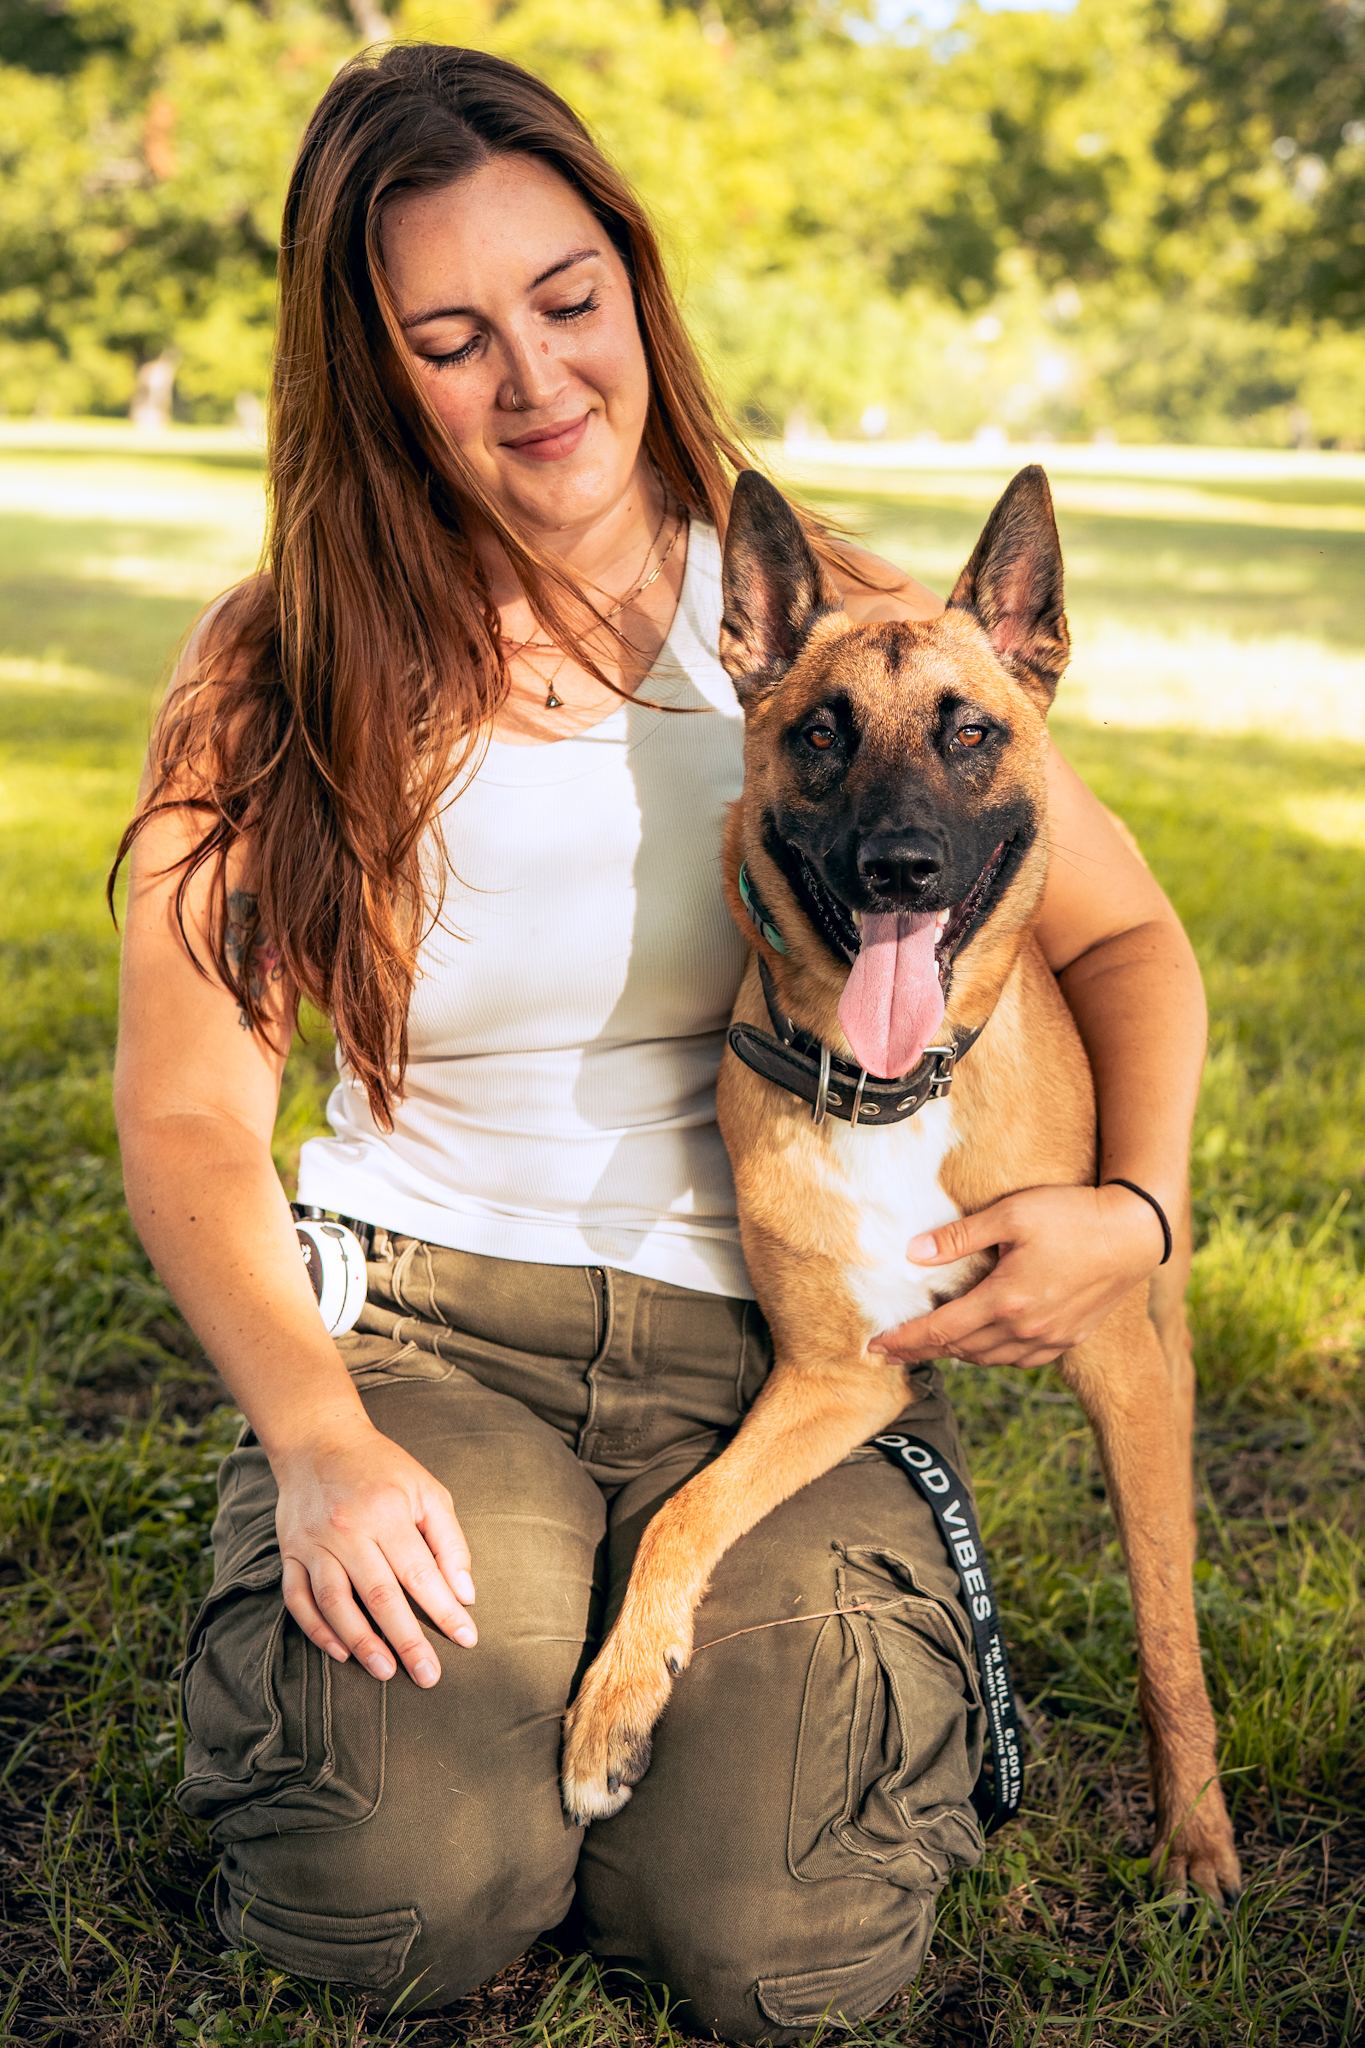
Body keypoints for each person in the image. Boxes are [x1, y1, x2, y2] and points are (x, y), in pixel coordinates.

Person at [113, 43, 1205, 2043]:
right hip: (438, 1333)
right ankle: (450, 1704)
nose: (532, 381)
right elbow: (190, 1113)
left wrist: (1130, 1210)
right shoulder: (278, 659)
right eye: (448, 336)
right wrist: (319, 1434)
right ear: (368, 369)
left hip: (787, 1348)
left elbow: (1122, 934)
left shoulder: (836, 636)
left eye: (564, 303)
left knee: (769, 1952)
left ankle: (725, 1740)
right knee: (392, 1899)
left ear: (634, 286)